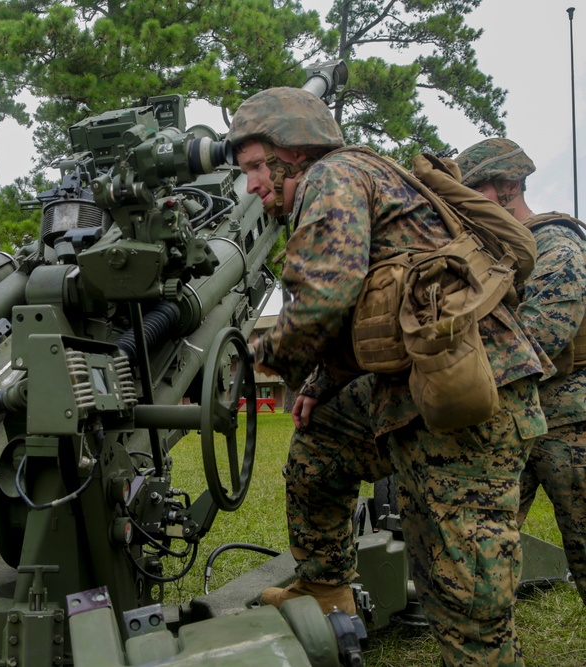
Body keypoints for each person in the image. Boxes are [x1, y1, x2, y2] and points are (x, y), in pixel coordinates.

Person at [228, 88, 549, 666]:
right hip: (414, 391)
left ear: (292, 154)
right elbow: (369, 312)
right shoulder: (362, 174)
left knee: (464, 595)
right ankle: (325, 584)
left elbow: (325, 295)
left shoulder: (334, 176)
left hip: (470, 398)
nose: (251, 185)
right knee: (319, 444)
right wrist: (321, 385)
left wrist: (252, 360)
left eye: (255, 167)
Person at [456, 137, 586, 606]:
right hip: (514, 420)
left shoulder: (554, 241)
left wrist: (463, 374)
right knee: (486, 550)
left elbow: (546, 329)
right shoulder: (491, 256)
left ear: (509, 185)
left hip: (569, 422)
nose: (469, 204)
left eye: (477, 192)